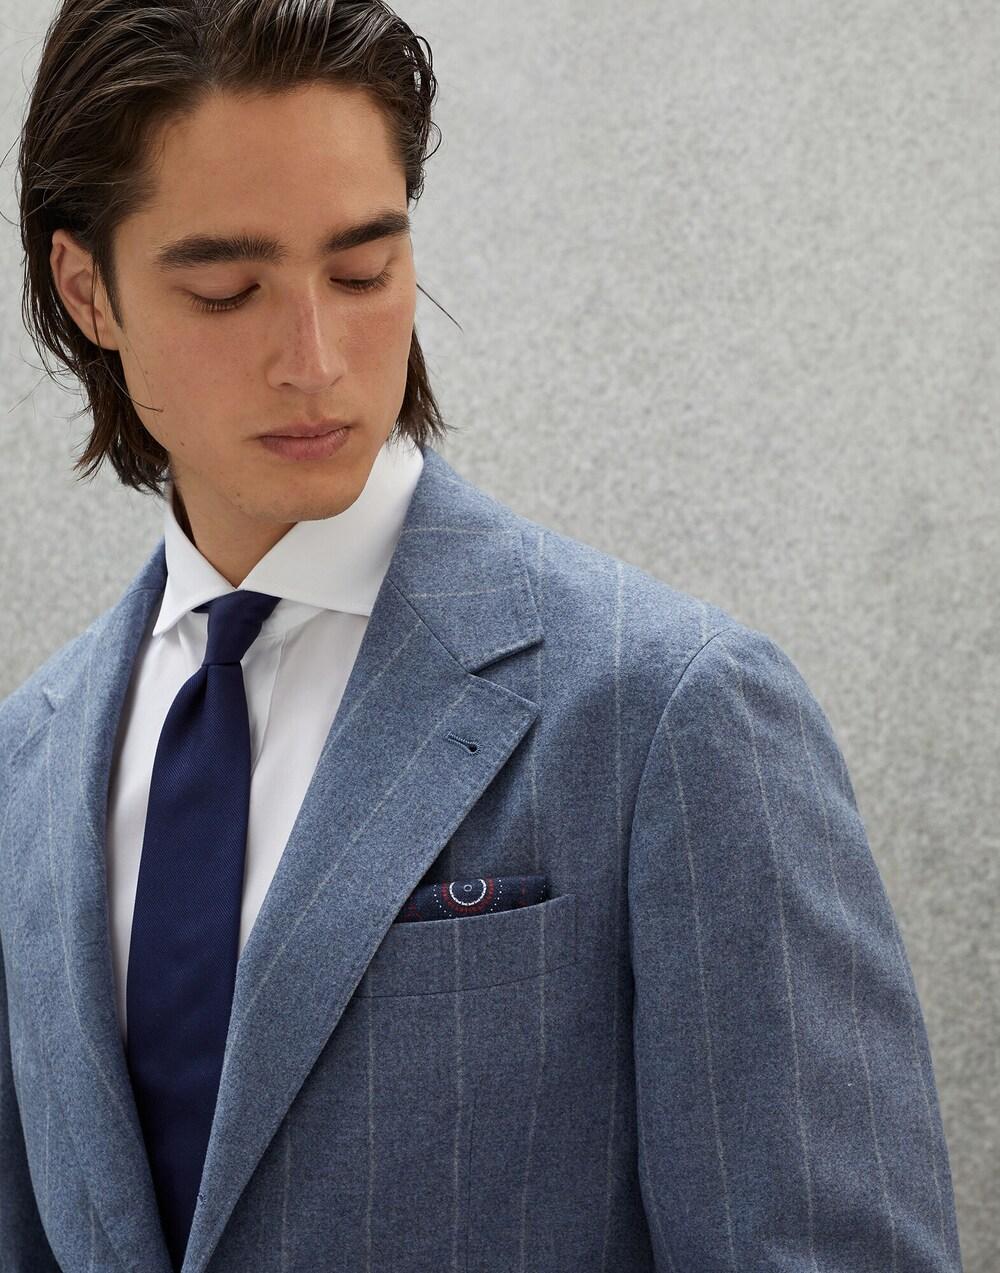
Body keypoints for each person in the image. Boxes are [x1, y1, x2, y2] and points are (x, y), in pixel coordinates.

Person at [0, 3, 964, 1271]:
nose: (315, 358)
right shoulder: (24, 770)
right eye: (227, 290)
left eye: (362, 271)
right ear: (89, 291)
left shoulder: (672, 712)